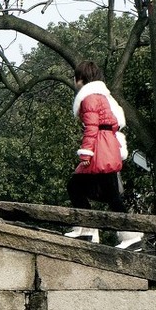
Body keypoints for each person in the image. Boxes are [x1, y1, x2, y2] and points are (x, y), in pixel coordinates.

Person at [63, 61, 143, 250]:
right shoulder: (103, 96)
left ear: (80, 78)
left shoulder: (89, 97)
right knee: (109, 194)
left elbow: (91, 127)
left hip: (100, 148)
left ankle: (90, 230)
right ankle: (128, 236)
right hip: (108, 147)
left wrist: (86, 152)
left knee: (76, 186)